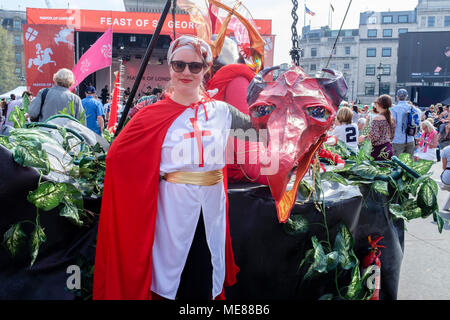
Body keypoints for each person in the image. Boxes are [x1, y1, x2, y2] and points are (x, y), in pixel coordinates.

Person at [92, 35, 265, 300]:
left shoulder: (222, 111)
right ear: (170, 67)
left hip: (211, 208)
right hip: (170, 209)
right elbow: (117, 157)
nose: (186, 72)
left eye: (195, 66)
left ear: (205, 70)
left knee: (205, 272)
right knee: (170, 277)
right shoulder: (151, 115)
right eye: (179, 65)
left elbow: (262, 130)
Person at [362, 94, 395, 161]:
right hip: (388, 148)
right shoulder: (391, 118)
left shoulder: (377, 119)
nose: (375, 105)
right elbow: (392, 135)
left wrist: (364, 138)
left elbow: (375, 137)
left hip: (378, 151)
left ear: (380, 104)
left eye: (376, 103)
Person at [390, 89, 420, 157]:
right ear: (406, 97)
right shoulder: (413, 108)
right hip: (410, 138)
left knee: (397, 163)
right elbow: (417, 124)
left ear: (397, 97)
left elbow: (393, 124)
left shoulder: (394, 109)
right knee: (408, 163)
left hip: (398, 139)